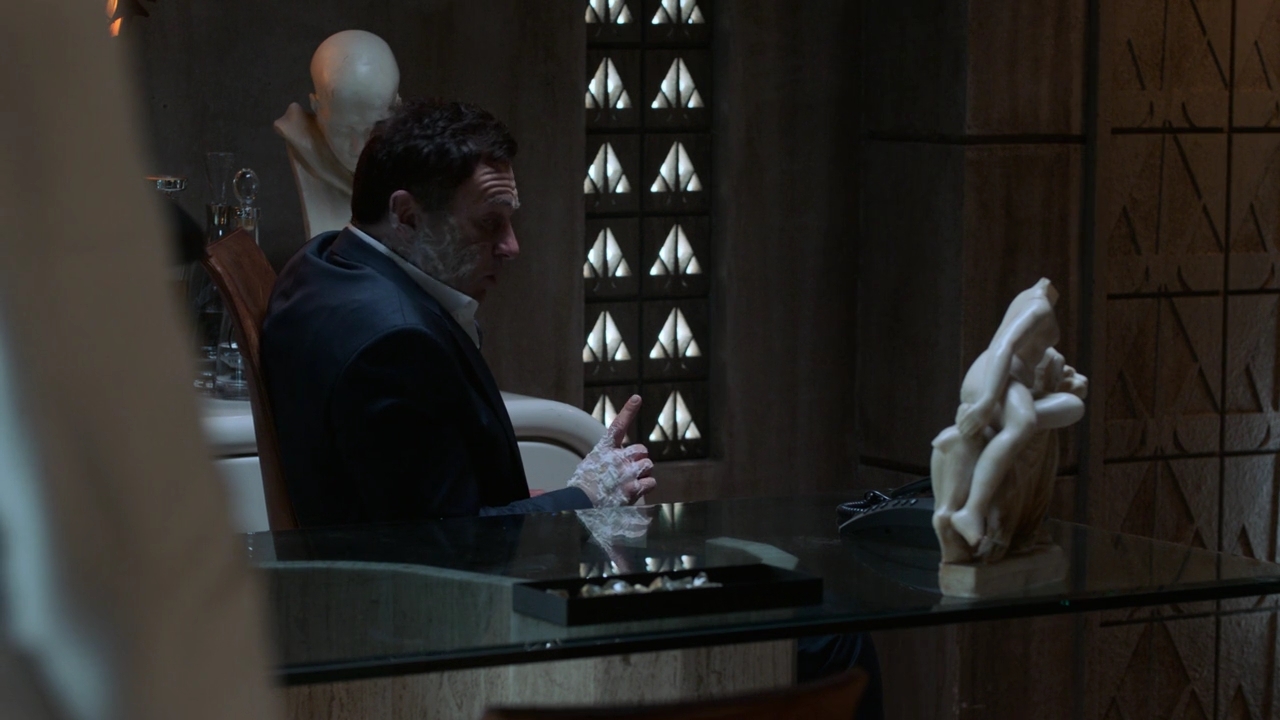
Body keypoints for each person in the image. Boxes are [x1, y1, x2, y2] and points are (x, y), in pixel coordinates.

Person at [262, 98, 656, 526]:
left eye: (509, 221)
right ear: (407, 217)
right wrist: (585, 497)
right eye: (488, 223)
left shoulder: (321, 262)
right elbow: (447, 543)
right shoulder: (395, 347)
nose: (511, 247)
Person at [274, 29, 401, 240]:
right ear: (316, 107)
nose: (358, 148)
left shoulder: (410, 163)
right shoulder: (304, 152)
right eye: (342, 131)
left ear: (396, 109)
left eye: (372, 130)